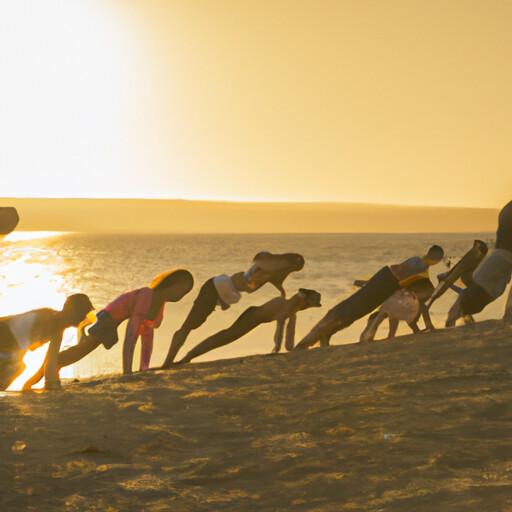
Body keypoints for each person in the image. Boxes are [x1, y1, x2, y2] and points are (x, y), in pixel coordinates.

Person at [23, 269, 194, 389]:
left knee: (84, 347)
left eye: (186, 292)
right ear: (171, 283)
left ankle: (49, 369)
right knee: (84, 348)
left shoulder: (159, 303)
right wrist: (127, 373)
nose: (182, 295)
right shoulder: (146, 295)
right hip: (107, 317)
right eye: (182, 289)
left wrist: (144, 369)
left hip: (115, 319)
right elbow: (131, 335)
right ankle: (52, 367)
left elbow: (147, 335)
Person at [161, 252, 305, 366]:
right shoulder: (268, 264)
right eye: (295, 266)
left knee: (192, 325)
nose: (293, 270)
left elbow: (270, 281)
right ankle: (168, 362)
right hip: (219, 287)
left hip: (219, 287)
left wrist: (282, 295)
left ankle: (180, 358)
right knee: (188, 326)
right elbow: (253, 275)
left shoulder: (271, 270)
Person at [295, 245, 444, 350]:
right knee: (351, 310)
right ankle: (314, 338)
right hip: (385, 284)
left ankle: (324, 336)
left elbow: (397, 273)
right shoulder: (419, 264)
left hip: (385, 284)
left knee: (354, 312)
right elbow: (397, 272)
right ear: (437, 260)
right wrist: (373, 284)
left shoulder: (420, 264)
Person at [178, 288, 322, 364]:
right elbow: (280, 329)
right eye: (309, 304)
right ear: (304, 301)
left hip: (256, 319)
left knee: (225, 336)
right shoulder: (283, 305)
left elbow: (288, 338)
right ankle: (189, 355)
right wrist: (276, 349)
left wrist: (290, 349)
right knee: (226, 336)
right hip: (251, 317)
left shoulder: (292, 311)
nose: (308, 308)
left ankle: (189, 356)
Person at [0, 294, 94, 391]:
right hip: (4, 337)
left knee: (17, 367)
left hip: (8, 345)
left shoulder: (58, 329)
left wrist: (31, 383)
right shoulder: (48, 318)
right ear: (72, 311)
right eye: (84, 313)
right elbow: (18, 339)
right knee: (15, 368)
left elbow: (50, 361)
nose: (85, 317)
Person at [446, 201, 512, 327]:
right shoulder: (509, 210)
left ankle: (455, 318)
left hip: (500, 256)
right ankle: (453, 319)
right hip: (502, 257)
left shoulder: (507, 209)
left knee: (480, 294)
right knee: (479, 295)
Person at [359, 278, 435, 342]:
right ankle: (417, 330)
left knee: (399, 315)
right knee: (397, 315)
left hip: (408, 295)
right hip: (405, 297)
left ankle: (420, 329)